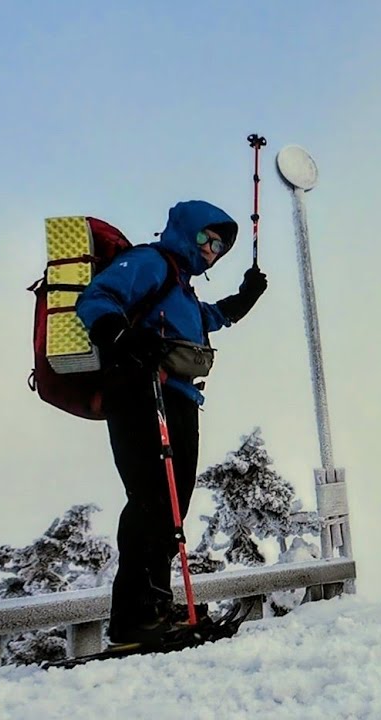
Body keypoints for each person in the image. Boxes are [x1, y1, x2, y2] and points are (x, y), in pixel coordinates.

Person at [75, 199, 267, 645]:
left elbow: (209, 320)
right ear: (185, 230)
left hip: (178, 396)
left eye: (219, 246)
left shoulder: (181, 288)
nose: (211, 249)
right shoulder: (150, 262)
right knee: (151, 501)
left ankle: (155, 605)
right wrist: (121, 337)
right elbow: (97, 298)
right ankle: (134, 616)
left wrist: (245, 297)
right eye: (206, 237)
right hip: (141, 392)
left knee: (171, 506)